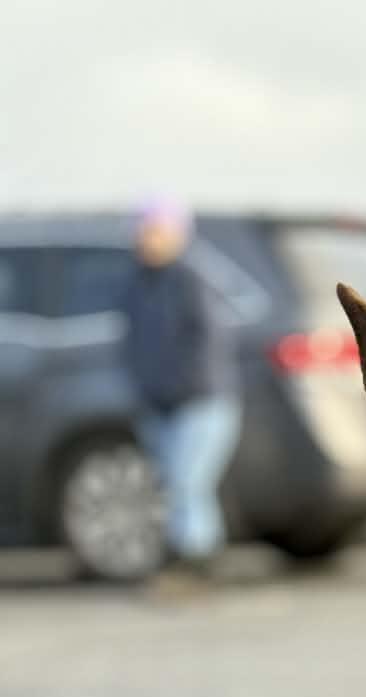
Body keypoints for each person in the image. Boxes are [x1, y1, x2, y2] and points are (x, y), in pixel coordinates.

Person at [122, 199, 241, 577]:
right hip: (158, 403)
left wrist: (180, 386)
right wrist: (144, 386)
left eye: (156, 229)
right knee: (175, 486)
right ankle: (184, 557)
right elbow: (133, 341)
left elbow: (208, 343)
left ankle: (197, 562)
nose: (147, 238)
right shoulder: (138, 283)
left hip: (199, 401)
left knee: (187, 482)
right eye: (143, 229)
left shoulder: (192, 280)